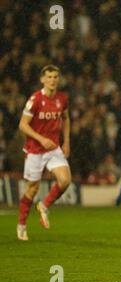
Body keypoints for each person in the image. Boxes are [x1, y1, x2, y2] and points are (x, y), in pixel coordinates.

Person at [17, 65, 71, 241]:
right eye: (49, 77)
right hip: (35, 149)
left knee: (65, 180)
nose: (53, 80)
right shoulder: (35, 99)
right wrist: (41, 139)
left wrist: (66, 142)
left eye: (55, 76)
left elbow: (66, 118)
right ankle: (22, 225)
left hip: (54, 148)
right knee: (32, 189)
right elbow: (23, 125)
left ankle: (44, 204)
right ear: (42, 79)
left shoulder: (62, 99)